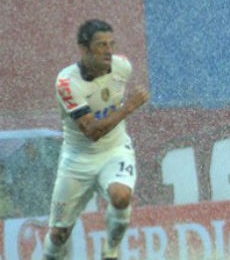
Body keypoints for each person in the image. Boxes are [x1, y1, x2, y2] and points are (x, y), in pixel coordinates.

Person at [43, 19, 150, 260]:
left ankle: (110, 251)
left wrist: (124, 108)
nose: (109, 51)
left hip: (115, 149)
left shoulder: (122, 67)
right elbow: (91, 132)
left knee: (122, 196)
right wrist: (129, 107)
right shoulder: (67, 82)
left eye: (112, 44)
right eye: (101, 45)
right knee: (59, 233)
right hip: (77, 158)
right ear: (84, 49)